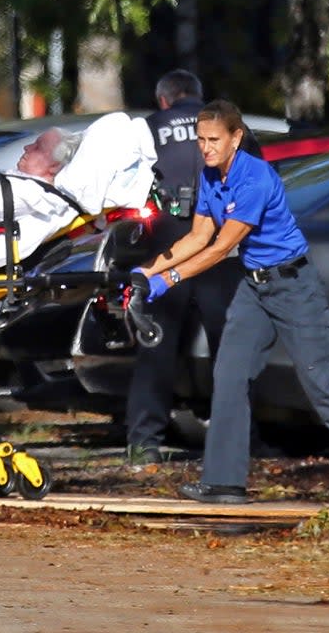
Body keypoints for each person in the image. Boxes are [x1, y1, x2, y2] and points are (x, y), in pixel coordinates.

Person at [134, 99, 329, 504]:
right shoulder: (210, 177)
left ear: (235, 138)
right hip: (254, 288)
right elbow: (196, 238)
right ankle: (225, 482)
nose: (205, 148)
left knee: (321, 384)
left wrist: (169, 279)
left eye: (213, 140)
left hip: (294, 286)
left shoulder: (255, 178)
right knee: (228, 374)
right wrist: (146, 272)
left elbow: (221, 247)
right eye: (200, 140)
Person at [125, 71, 260, 464]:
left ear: (163, 100)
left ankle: (143, 444)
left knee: (157, 348)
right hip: (222, 251)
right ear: (200, 97)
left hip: (167, 248)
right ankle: (241, 443)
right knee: (231, 352)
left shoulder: (148, 130)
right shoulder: (231, 128)